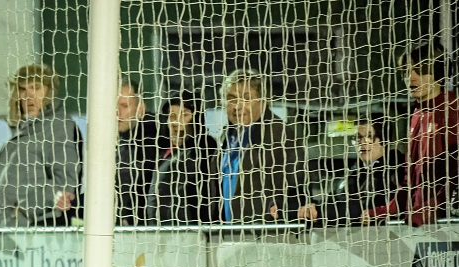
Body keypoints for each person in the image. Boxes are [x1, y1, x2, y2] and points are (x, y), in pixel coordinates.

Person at [365, 43, 459, 227]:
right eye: (406, 72)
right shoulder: (417, 114)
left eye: (420, 71)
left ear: (438, 74)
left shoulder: (451, 111)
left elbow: (454, 173)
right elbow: (410, 179)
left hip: (446, 224)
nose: (411, 78)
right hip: (420, 223)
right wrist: (387, 210)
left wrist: (431, 208)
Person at [0, 64, 83, 228]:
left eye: (36, 88)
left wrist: (24, 209)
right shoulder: (21, 133)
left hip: (36, 231)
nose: (29, 95)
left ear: (48, 91)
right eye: (23, 89)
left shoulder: (58, 127)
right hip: (7, 232)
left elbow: (65, 183)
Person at [217, 69, 305, 224]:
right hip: (229, 234)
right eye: (231, 99)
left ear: (262, 101)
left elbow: (293, 189)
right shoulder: (228, 135)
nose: (237, 106)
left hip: (261, 236)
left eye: (246, 99)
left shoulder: (278, 134)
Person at [298, 115, 403, 226]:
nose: (361, 142)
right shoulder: (356, 169)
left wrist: (320, 211)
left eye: (368, 137)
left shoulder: (394, 169)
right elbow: (337, 196)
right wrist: (314, 206)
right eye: (357, 138)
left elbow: (368, 205)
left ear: (384, 140)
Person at [148, 91, 219, 225]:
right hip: (160, 235)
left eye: (184, 115)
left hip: (189, 233)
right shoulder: (162, 153)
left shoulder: (203, 147)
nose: (176, 122)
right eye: (172, 116)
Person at [116, 78, 164, 226]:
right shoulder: (117, 142)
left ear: (141, 108)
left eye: (124, 106)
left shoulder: (157, 138)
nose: (117, 112)